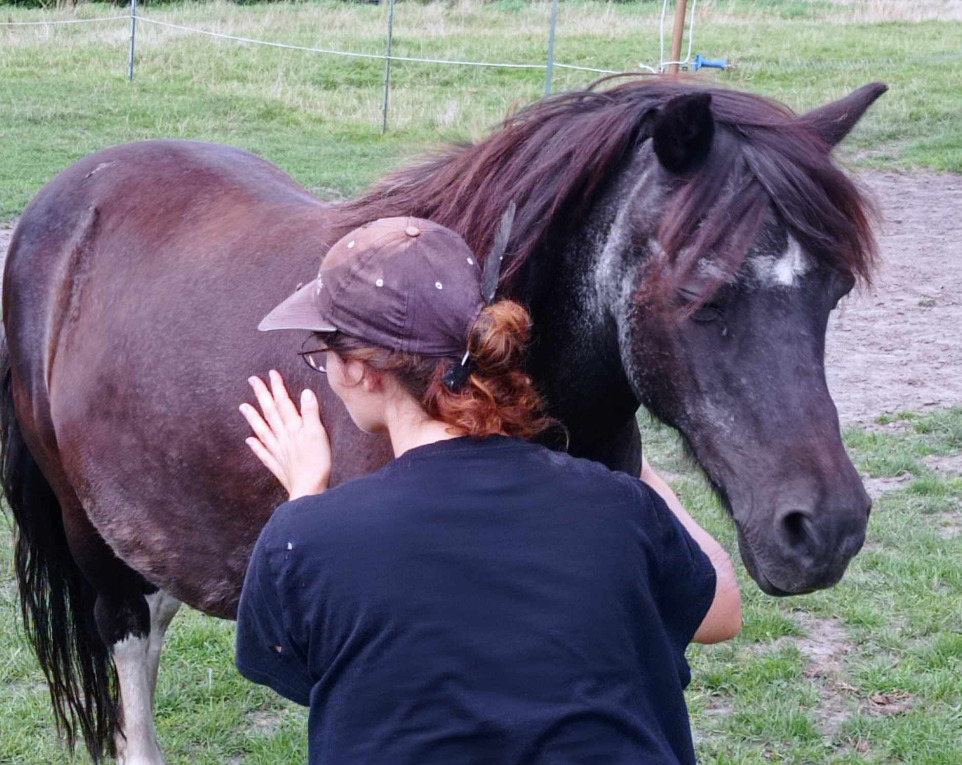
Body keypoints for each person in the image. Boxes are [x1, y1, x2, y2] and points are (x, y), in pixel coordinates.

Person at [236, 216, 742, 765]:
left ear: (361, 370)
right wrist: (640, 472)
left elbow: (297, 659)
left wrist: (305, 494)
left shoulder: (306, 538)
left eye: (324, 353)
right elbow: (723, 612)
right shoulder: (622, 506)